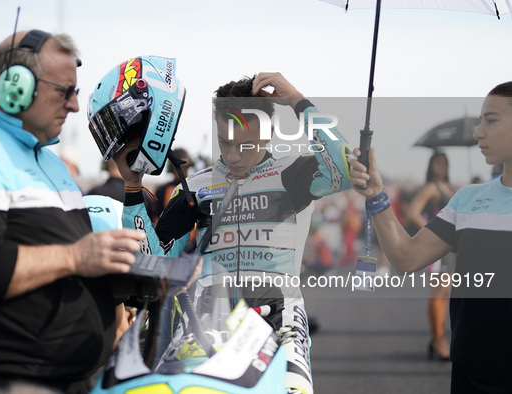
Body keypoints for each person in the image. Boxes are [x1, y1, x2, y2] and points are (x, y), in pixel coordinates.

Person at [0, 29, 144, 393]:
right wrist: (76, 256)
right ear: (15, 87)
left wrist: (134, 278)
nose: (74, 105)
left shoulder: (49, 162)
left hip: (64, 378)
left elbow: (58, 266)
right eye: (65, 91)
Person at [117, 72, 353, 394]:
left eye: (245, 143)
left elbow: (344, 168)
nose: (233, 155)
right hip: (207, 316)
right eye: (225, 142)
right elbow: (151, 262)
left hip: (279, 315)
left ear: (269, 133)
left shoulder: (292, 172)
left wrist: (296, 100)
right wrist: (133, 187)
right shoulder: (197, 186)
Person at [348, 82, 512, 393]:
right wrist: (376, 196)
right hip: (471, 374)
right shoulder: (466, 199)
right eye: (480, 121)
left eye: (491, 121)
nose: (479, 132)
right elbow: (406, 258)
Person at [407, 152, 455, 361]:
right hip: (438, 248)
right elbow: (413, 213)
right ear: (430, 165)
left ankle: (439, 338)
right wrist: (433, 231)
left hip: (449, 248)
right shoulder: (431, 188)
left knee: (444, 292)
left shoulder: (447, 187)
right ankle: (438, 339)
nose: (441, 167)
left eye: (444, 163)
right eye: (438, 163)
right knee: (439, 290)